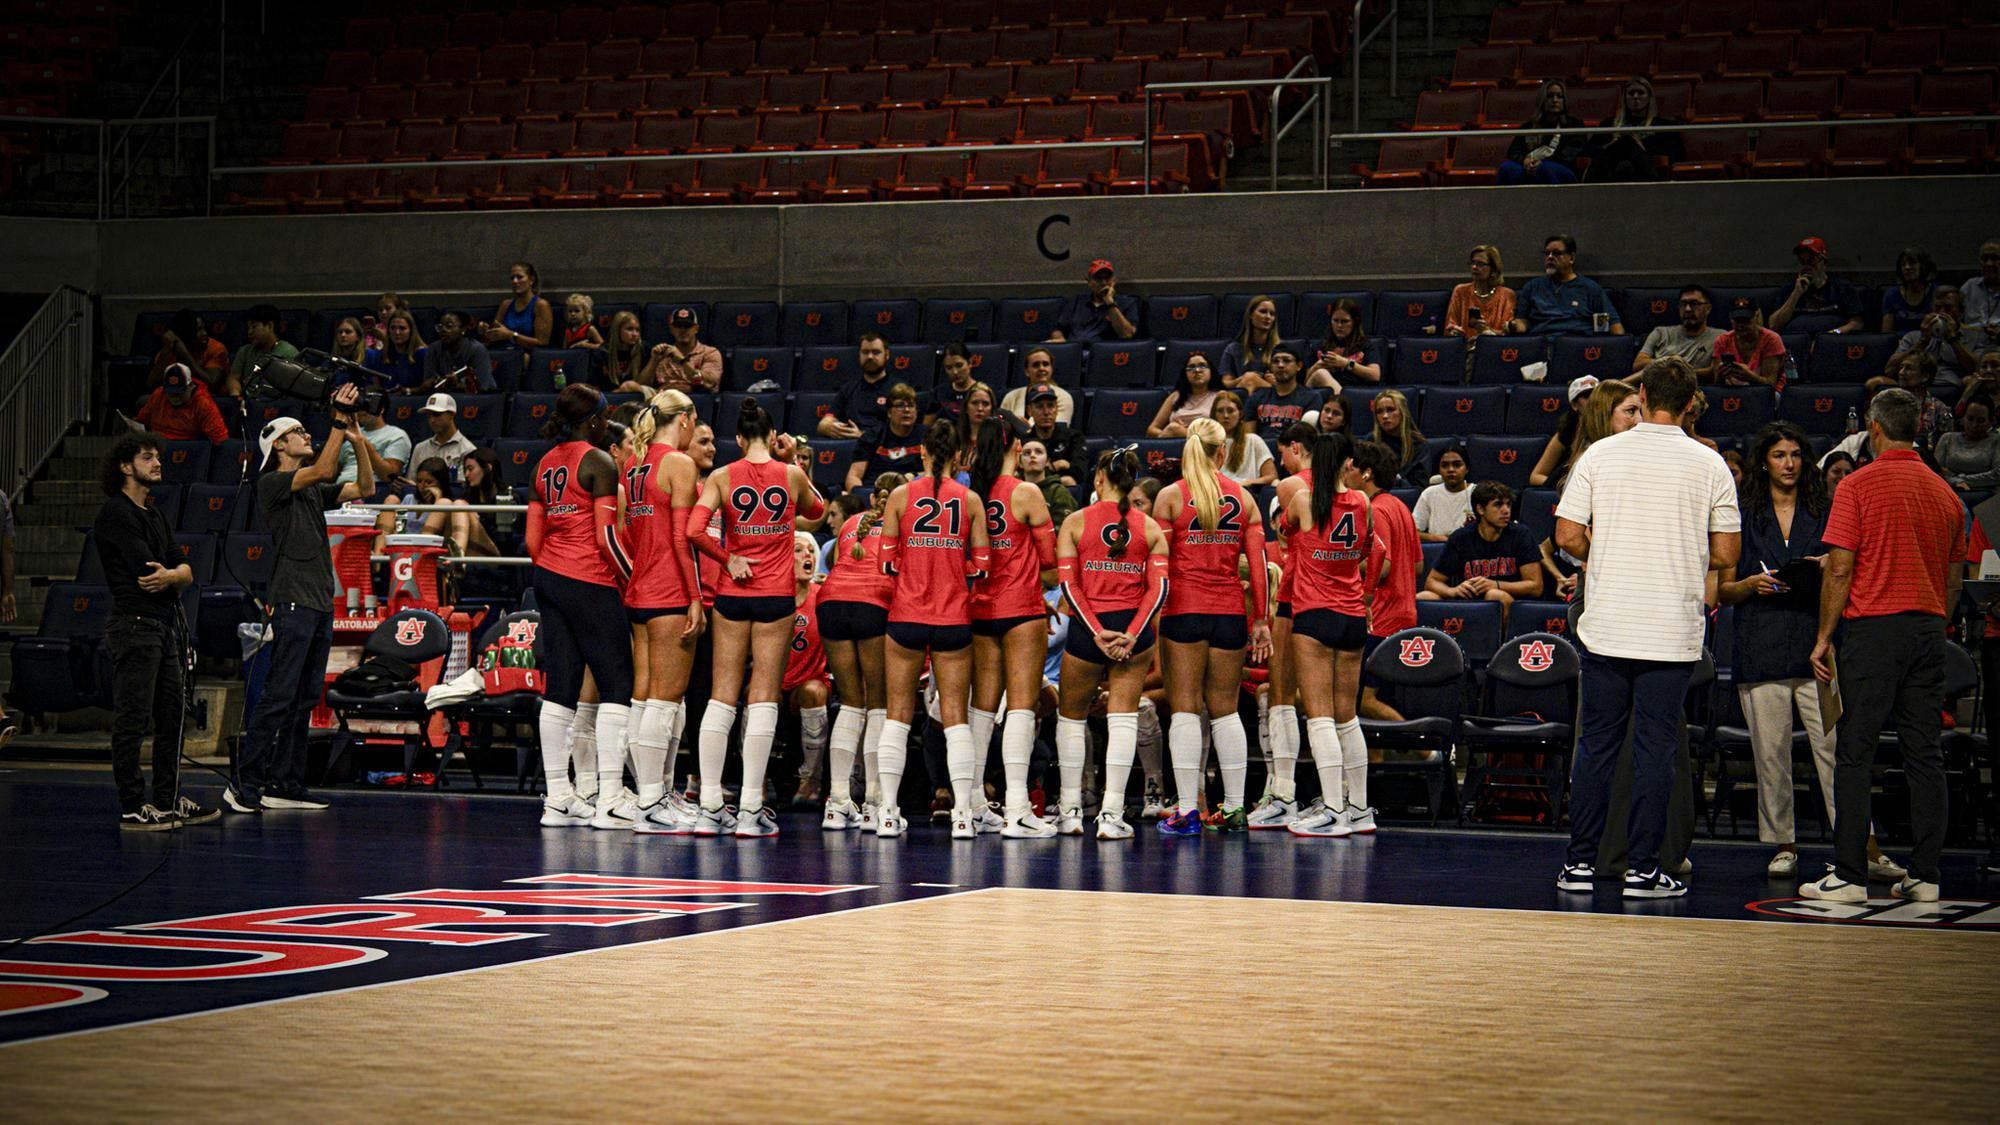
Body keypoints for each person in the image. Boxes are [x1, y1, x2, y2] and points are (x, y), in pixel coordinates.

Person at [1554, 358, 1739, 900]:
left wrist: (1606, 555)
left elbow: (1566, 534)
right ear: (1690, 403)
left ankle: (1578, 865)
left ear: (1641, 392)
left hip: (1607, 625)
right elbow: (1727, 552)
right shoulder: (1710, 464)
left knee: (1596, 747)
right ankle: (1644, 871)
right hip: (1670, 630)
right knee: (1656, 750)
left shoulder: (1600, 454)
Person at [1801, 388, 1962, 903]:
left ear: (1873, 427)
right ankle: (1928, 876)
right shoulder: (1945, 493)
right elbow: (1955, 578)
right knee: (1924, 754)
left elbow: (1841, 567)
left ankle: (1849, 875)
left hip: (1874, 631)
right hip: (1929, 629)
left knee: (1855, 751)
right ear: (1918, 427)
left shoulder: (1857, 485)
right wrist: (1937, 621)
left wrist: (1824, 636)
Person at [1721, 422, 1903, 879]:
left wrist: (1829, 565)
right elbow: (1723, 591)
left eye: (1796, 455)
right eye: (1780, 455)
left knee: (1836, 751)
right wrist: (1748, 584)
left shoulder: (1827, 508)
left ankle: (1864, 846)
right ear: (1764, 460)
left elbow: (1852, 571)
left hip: (1817, 643)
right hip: (1759, 643)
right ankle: (1784, 844)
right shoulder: (1744, 513)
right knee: (1770, 753)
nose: (1789, 463)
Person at [227, 382, 375, 815]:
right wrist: (334, 420)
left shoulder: (309, 488)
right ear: (279, 445)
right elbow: (326, 470)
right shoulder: (272, 483)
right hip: (292, 599)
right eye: (299, 433)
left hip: (318, 601)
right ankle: (245, 784)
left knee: (304, 698)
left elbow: (363, 487)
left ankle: (286, 785)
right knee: (279, 696)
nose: (306, 436)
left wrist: (357, 439)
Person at [686, 399, 827, 837]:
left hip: (732, 593)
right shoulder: (790, 474)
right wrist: (789, 460)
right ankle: (750, 809)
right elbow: (819, 510)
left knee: (721, 696)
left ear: (741, 439)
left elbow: (692, 530)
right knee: (763, 696)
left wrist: (728, 559)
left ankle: (710, 805)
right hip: (775, 597)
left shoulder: (722, 476)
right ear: (774, 436)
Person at [524, 386, 637, 829]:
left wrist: (556, 567)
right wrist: (633, 582)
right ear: (593, 421)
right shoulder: (598, 461)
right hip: (589, 579)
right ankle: (610, 798)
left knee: (561, 688)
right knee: (616, 684)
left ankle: (558, 798)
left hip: (548, 578)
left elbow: (533, 541)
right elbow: (608, 538)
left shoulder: (543, 464)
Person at [1152, 418, 1271, 835]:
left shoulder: (1169, 497)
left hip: (1183, 611)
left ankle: (1187, 811)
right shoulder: (1245, 498)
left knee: (1184, 709)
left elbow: (1160, 568)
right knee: (1226, 711)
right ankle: (1235, 809)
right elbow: (1258, 566)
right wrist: (1261, 619)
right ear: (1222, 452)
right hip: (1230, 614)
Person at [94, 434, 215, 830]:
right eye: (147, 457)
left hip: (162, 625)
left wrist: (176, 574)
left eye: (158, 457)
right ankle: (132, 805)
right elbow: (149, 572)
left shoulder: (154, 513)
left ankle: (166, 799)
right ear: (126, 467)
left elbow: (183, 569)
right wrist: (173, 574)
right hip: (135, 624)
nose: (157, 462)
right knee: (133, 717)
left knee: (172, 715)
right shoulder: (116, 513)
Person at [876, 420, 989, 838]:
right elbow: (982, 564)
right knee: (956, 717)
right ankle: (962, 814)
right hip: (953, 617)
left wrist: (914, 573)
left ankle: (887, 812)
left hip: (906, 614)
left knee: (897, 714)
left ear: (922, 451)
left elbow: (885, 562)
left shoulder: (902, 496)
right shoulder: (971, 499)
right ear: (959, 456)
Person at [1055, 447, 1168, 839]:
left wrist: (1095, 631)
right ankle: (1111, 814)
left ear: (1099, 479)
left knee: (1071, 716)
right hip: (1131, 632)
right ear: (1131, 482)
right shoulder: (1150, 528)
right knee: (1123, 716)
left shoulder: (1074, 521)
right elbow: (1158, 591)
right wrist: (1133, 634)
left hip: (1091, 630)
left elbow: (1069, 587)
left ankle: (1070, 810)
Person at [1283, 431, 1388, 836]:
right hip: (1351, 615)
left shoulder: (1305, 501)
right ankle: (1360, 809)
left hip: (1313, 614)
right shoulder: (1363, 502)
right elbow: (1370, 551)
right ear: (1346, 464)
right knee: (1348, 717)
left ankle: (1332, 809)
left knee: (1320, 717)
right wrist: (1365, 593)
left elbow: (1285, 528)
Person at [966, 416, 1060, 837]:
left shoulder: (970, 494)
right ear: (1016, 447)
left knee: (981, 710)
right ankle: (1018, 808)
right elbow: (1052, 563)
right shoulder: (1026, 492)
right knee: (1021, 707)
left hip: (980, 609)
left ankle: (973, 803)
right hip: (1020, 609)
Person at [619, 390, 706, 835]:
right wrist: (694, 595)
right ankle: (653, 799)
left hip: (639, 588)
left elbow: (626, 534)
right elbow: (682, 539)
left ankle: (653, 795)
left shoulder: (634, 465)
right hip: (670, 589)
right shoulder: (679, 464)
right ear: (686, 420)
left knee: (645, 696)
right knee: (666, 698)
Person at [814, 472, 906, 832]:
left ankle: (836, 804)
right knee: (878, 704)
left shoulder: (853, 522)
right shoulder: (904, 526)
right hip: (873, 604)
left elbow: (839, 562)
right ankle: (874, 802)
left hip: (831, 603)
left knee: (850, 703)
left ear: (872, 500)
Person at [1251, 421, 1321, 828]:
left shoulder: (1291, 486)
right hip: (1336, 598)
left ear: (1296, 448)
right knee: (1330, 709)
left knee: (1280, 694)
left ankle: (1283, 795)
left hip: (1298, 593)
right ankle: (1342, 799)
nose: (1280, 462)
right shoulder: (1350, 491)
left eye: (1282, 453)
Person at [1351, 441, 1420, 727]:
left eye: (1352, 467)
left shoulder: (1375, 509)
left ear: (1367, 473)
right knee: (1373, 701)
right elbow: (1417, 565)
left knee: (1363, 702)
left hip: (1380, 618)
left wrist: (1344, 562)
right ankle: (1373, 766)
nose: (1346, 473)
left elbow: (1382, 565)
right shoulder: (1400, 506)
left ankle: (1429, 752)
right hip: (1405, 614)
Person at [1422, 481, 1543, 608]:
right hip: (1469, 604)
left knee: (1495, 595)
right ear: (1480, 509)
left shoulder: (1521, 534)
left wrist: (1495, 584)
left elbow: (1536, 587)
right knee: (1425, 597)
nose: (1506, 510)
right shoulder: (1461, 538)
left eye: (1508, 505)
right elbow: (1432, 582)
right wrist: (1453, 591)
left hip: (1509, 604)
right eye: (1498, 505)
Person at [782, 531, 833, 803]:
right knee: (752, 692)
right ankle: (757, 780)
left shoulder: (823, 595)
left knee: (813, 692)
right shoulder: (775, 594)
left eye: (811, 551)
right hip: (776, 681)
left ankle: (810, 780)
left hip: (811, 680)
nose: (808, 556)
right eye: (799, 551)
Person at [1511, 234, 1622, 336]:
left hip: (1577, 345)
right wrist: (1513, 325)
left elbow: (1614, 325)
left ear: (1572, 258)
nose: (1550, 257)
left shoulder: (1590, 288)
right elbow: (1522, 321)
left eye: (1556, 253)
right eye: (1547, 253)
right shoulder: (1532, 287)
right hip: (1541, 343)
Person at [1582, 76, 1683, 182]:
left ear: (1649, 97)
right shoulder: (1609, 124)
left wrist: (1641, 147)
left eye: (1640, 93)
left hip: (1644, 172)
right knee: (1624, 144)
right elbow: (1589, 150)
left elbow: (1676, 154)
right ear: (1624, 98)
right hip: (1611, 171)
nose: (1635, 97)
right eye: (1631, 93)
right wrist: (1610, 145)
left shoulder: (1662, 125)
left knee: (1627, 142)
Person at [1889, 285, 1988, 386]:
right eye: (1937, 307)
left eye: (1948, 308)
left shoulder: (1976, 337)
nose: (1941, 313)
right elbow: (1890, 370)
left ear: (1961, 312)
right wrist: (1923, 341)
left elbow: (1978, 369)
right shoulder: (1913, 336)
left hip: (1954, 385)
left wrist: (1953, 340)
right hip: (1916, 384)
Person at [1769, 236, 1864, 335]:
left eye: (1811, 261)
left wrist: (1834, 334)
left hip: (1832, 341)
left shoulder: (1842, 287)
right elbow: (1774, 325)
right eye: (1802, 262)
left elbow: (1857, 323)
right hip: (1797, 343)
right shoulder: (1789, 289)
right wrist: (1796, 294)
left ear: (1823, 263)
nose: (1806, 266)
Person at [1497, 80, 1585, 185]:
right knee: (1507, 168)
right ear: (1542, 100)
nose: (1555, 100)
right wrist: (1525, 161)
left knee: (1544, 168)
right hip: (1531, 165)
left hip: (1561, 167)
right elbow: (1513, 152)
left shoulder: (1574, 125)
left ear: (1564, 100)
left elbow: (1568, 154)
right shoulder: (1529, 126)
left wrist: (1540, 163)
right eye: (1550, 96)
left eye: (1559, 96)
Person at [816, 332, 895, 440]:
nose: (870, 357)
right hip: (849, 445)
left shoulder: (898, 390)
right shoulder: (848, 389)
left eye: (876, 352)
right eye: (865, 352)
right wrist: (828, 426)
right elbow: (824, 423)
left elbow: (901, 431)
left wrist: (863, 435)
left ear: (887, 355)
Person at [846, 382, 924, 489]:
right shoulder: (872, 436)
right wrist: (860, 496)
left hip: (912, 492)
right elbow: (854, 476)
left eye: (911, 405)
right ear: (889, 412)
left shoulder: (928, 435)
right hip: (875, 491)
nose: (906, 410)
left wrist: (915, 476)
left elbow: (938, 472)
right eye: (900, 405)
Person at [1636, 286, 1723, 379]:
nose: (1687, 309)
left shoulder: (1720, 337)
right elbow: (1638, 364)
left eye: (1694, 304)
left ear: (1708, 308)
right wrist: (1671, 361)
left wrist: (1677, 369)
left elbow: (1715, 372)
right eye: (1683, 304)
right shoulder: (1660, 333)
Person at [1246, 346, 1323, 448]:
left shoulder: (1311, 398)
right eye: (1275, 361)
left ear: (1299, 366)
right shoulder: (1257, 396)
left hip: (1295, 451)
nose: (1280, 365)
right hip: (1261, 451)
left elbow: (1308, 439)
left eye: (1286, 361)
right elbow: (1249, 437)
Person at [1049, 258, 1139, 344]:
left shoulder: (1127, 303)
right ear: (1089, 282)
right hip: (1075, 352)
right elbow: (1058, 329)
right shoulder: (1076, 302)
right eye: (1098, 278)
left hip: (1104, 354)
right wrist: (1060, 340)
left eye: (1107, 278)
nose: (1103, 282)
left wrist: (1110, 304)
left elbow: (1127, 334)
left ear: (1114, 280)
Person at [1528, 376, 1597, 487]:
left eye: (1597, 396)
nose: (1594, 400)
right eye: (1587, 396)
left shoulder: (1615, 430)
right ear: (1574, 405)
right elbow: (1536, 476)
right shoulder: (1566, 433)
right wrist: (1566, 485)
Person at [136, 363, 227, 444]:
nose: (175, 397)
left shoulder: (204, 404)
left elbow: (220, 439)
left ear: (190, 386)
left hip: (186, 451)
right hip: (158, 448)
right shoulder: (158, 395)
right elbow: (141, 422)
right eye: (171, 392)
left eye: (180, 392)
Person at [1020, 383, 1088, 487]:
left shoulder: (1073, 437)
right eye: (1039, 406)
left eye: (1050, 405)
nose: (1046, 412)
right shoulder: (1023, 442)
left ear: (1057, 409)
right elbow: (1019, 475)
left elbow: (1081, 473)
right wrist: (1059, 465)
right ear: (1029, 411)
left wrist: (1043, 470)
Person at [1711, 296, 1786, 387]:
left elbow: (1771, 384)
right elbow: (1716, 384)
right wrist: (1721, 376)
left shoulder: (1771, 339)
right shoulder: (1722, 340)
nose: (1741, 325)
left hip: (1766, 394)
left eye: (1746, 320)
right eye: (1737, 321)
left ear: (1756, 316)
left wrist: (1749, 376)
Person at [1444, 245, 1516, 339]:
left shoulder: (1507, 295)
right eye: (1473, 263)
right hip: (1464, 347)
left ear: (1493, 269)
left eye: (1480, 264)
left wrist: (1486, 332)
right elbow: (1449, 327)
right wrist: (1455, 332)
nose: (1474, 267)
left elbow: (1506, 332)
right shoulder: (1460, 291)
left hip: (1494, 348)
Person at [335, 396, 409, 486]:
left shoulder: (396, 435)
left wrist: (360, 440)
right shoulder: (349, 432)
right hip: (341, 487)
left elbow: (388, 475)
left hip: (372, 490)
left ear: (381, 409)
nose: (361, 411)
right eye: (359, 406)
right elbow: (331, 473)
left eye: (368, 406)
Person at [1304, 298, 1379, 388]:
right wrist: (1316, 367)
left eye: (1344, 321)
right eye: (1335, 320)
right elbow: (1306, 382)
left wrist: (1346, 364)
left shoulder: (1365, 345)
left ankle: (1341, 399)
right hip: (1323, 393)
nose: (1339, 325)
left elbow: (1375, 376)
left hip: (1355, 391)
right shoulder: (1319, 346)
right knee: (1321, 373)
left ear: (1355, 322)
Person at [227, 304, 298, 398]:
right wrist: (235, 395)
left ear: (269, 326)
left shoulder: (289, 353)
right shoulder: (245, 351)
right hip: (247, 402)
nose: (249, 332)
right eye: (248, 328)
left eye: (254, 327)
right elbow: (234, 377)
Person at [1147, 352, 1222, 439]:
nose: (1197, 370)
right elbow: (1151, 429)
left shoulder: (1219, 396)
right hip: (1175, 445)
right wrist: (1168, 433)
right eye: (1191, 367)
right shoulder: (1175, 396)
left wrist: (1180, 431)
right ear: (1185, 374)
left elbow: (1224, 431)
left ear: (1211, 371)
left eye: (1202, 366)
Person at [151, 309, 230, 390]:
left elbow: (211, 384)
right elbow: (152, 385)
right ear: (185, 335)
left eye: (204, 328)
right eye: (198, 330)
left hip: (208, 398)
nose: (204, 333)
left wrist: (184, 354)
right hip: (175, 395)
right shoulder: (171, 349)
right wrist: (166, 351)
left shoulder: (216, 348)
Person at [649, 307, 722, 393]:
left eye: (687, 326)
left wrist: (682, 361)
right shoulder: (663, 353)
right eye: (678, 326)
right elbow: (642, 387)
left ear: (696, 329)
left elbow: (710, 383)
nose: (682, 330)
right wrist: (654, 361)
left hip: (695, 400)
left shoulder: (710, 352)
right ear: (672, 329)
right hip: (664, 399)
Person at [1211, 391, 1276, 486]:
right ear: (1214, 415)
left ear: (1240, 414)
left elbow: (1271, 476)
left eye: (1230, 411)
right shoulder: (1207, 443)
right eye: (1220, 411)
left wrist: (1247, 483)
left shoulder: (1254, 440)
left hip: (1245, 491)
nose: (1225, 416)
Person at [1936, 395, 2000, 490]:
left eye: (1980, 421)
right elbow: (1935, 471)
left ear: (1991, 421)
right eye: (1970, 419)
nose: (1974, 425)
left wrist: (1961, 480)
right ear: (1963, 418)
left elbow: (1997, 475)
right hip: (1949, 492)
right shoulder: (1948, 438)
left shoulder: (1996, 441)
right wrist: (1955, 482)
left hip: (1986, 496)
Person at [422, 310, 496, 393]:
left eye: (449, 326)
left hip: (475, 399)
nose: (443, 330)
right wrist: (435, 383)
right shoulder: (433, 349)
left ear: (463, 329)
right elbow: (428, 382)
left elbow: (483, 386)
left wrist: (456, 385)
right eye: (440, 327)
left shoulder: (477, 349)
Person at [997, 347, 1077, 423]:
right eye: (1036, 365)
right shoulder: (1011, 397)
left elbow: (1057, 429)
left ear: (1051, 369)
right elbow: (1002, 428)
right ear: (1027, 371)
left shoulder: (1063, 397)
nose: (1041, 368)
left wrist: (1019, 426)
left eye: (1045, 364)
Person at [486, 260, 553, 350]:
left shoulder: (541, 305)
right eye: (512, 278)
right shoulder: (506, 304)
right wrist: (486, 330)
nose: (515, 281)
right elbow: (494, 336)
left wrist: (511, 335)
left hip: (527, 356)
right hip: (503, 352)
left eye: (519, 277)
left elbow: (542, 343)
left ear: (531, 280)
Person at [1220, 295, 1282, 389]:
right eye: (1263, 312)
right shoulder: (1233, 349)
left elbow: (1291, 386)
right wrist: (1245, 379)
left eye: (1272, 314)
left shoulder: (1281, 349)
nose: (1268, 317)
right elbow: (1226, 383)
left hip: (1273, 397)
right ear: (1251, 314)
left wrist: (1275, 381)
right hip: (1243, 394)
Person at [1413, 445, 1472, 542]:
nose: (1451, 470)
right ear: (1439, 470)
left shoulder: (1478, 492)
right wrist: (1435, 538)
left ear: (1467, 468)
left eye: (1457, 465)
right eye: (1444, 466)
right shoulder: (1429, 493)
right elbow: (1413, 532)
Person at [1369, 389, 1427, 487]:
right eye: (1379, 412)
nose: (1385, 416)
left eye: (1390, 410)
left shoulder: (1418, 445)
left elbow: (1419, 486)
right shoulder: (1370, 443)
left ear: (1403, 412)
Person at [410, 392, 478, 476]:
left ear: (451, 415)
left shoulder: (467, 450)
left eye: (436, 415)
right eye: (429, 416)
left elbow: (461, 487)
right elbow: (411, 482)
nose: (432, 420)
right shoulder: (419, 448)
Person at [1018, 438, 1076, 525]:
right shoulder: (1014, 490)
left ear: (1047, 462)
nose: (1032, 455)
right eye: (1027, 453)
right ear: (1020, 463)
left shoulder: (1058, 492)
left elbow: (1065, 528)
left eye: (1038, 452)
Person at [364, 310, 426, 390]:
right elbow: (375, 388)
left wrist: (408, 391)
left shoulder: (422, 354)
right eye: (393, 328)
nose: (397, 332)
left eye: (402, 328)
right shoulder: (380, 356)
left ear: (411, 331)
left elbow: (427, 387)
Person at [1882, 247, 1938, 334]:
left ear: (1923, 266)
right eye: (1903, 264)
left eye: (1912, 263)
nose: (1907, 267)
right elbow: (1886, 333)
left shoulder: (1936, 293)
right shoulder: (1892, 294)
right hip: (1900, 344)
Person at [924, 341, 979, 426]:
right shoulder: (939, 393)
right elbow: (927, 427)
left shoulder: (984, 392)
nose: (955, 372)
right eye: (949, 367)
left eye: (959, 365)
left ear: (970, 362)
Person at [602, 311, 651, 393]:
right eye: (630, 329)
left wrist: (654, 360)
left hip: (639, 396)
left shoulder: (644, 349)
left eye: (637, 330)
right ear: (617, 330)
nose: (635, 334)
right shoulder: (602, 352)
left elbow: (646, 385)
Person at [1964, 238, 2000, 337]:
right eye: (1985, 259)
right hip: (1968, 347)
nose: (1989, 264)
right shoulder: (1970, 286)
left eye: (1994, 259)